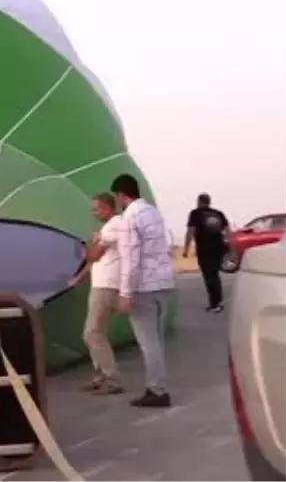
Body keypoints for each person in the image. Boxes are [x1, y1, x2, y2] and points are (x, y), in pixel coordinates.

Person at [111, 173, 176, 408]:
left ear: (121, 195)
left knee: (148, 343)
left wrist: (125, 292)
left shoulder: (129, 217)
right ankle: (157, 386)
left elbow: (130, 258)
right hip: (163, 283)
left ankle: (158, 391)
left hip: (143, 287)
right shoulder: (153, 213)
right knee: (156, 341)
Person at [67, 193, 126, 395]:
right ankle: (100, 376)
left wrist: (92, 243)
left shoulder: (113, 225)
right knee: (94, 333)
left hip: (107, 287)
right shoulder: (108, 228)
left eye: (96, 209)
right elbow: (95, 262)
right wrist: (79, 278)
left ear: (107, 208)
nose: (93, 213)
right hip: (101, 285)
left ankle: (112, 379)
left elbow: (93, 255)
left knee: (92, 333)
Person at [184, 193, 231, 313]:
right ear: (209, 202)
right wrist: (229, 247)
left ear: (199, 201)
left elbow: (190, 231)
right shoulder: (218, 213)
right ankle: (216, 302)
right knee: (214, 274)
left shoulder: (195, 213)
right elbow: (227, 230)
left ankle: (216, 303)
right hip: (218, 248)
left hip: (204, 248)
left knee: (209, 276)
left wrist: (186, 249)